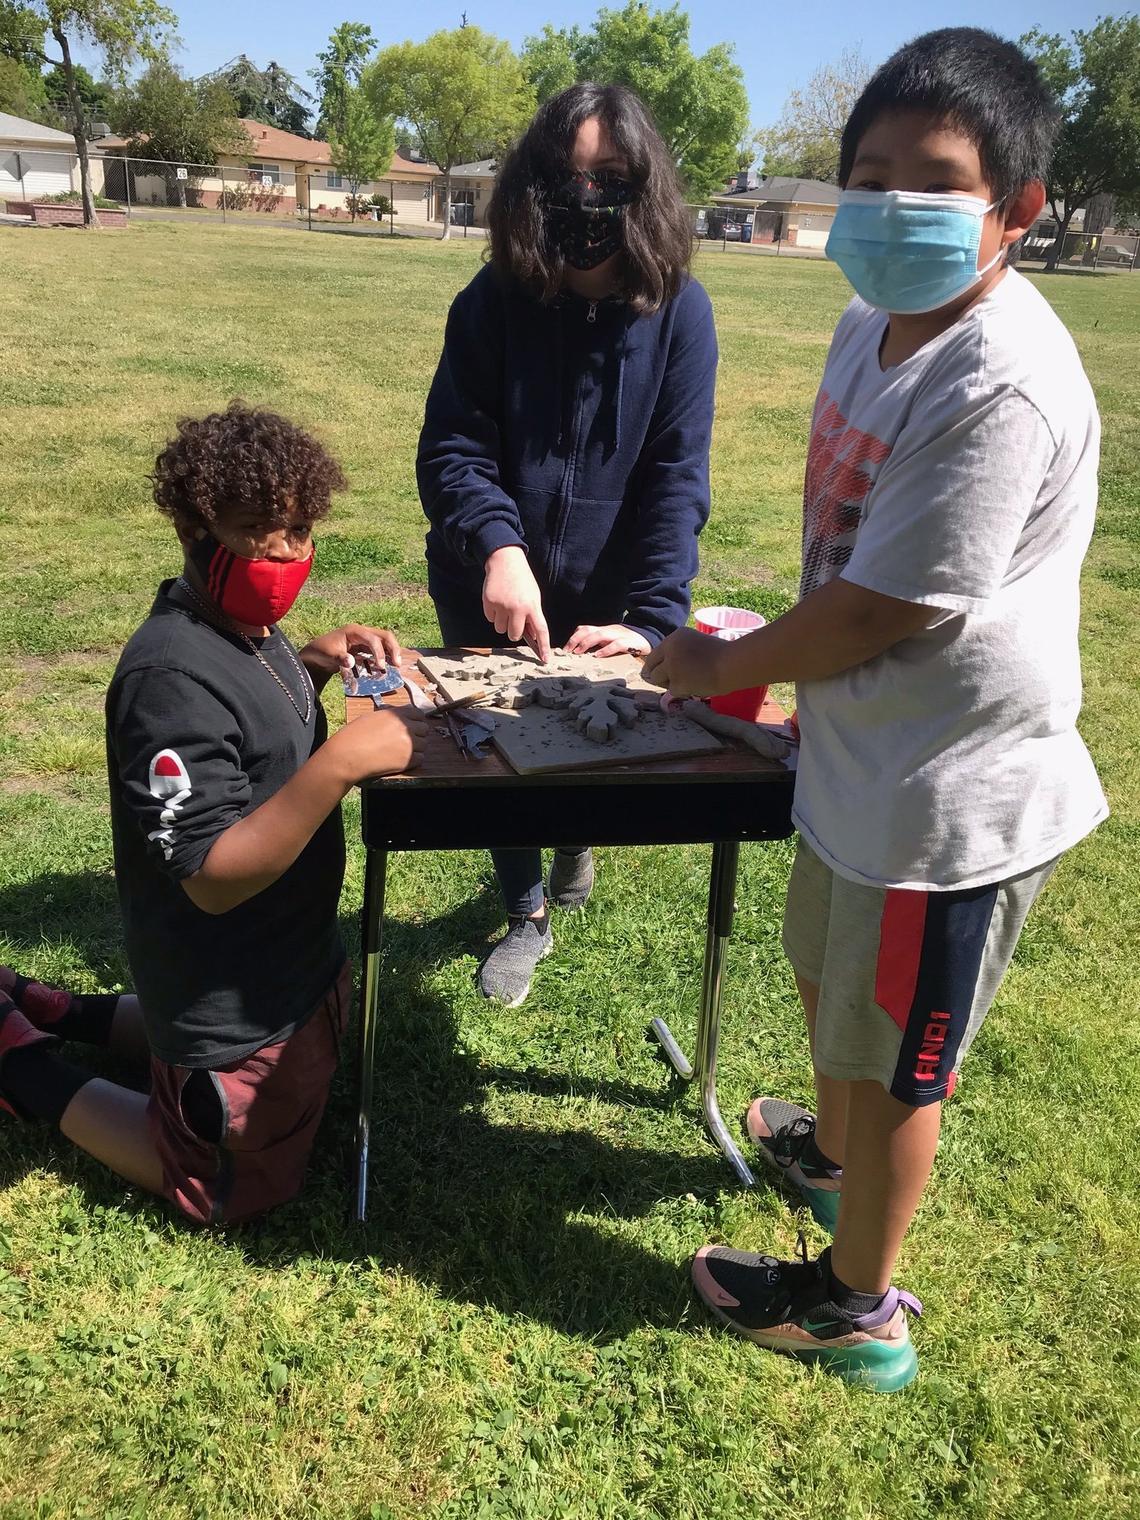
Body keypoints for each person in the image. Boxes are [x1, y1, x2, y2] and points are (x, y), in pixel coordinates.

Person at [644, 28, 1107, 1390]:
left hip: (950, 798)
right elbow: (849, 559)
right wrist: (764, 649)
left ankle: (857, 1308)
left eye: (938, 176)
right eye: (871, 169)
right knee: (825, 979)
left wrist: (712, 669)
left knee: (904, 1059)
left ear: (1017, 209)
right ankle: (830, 1157)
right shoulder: (871, 324)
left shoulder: (1002, 377)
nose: (894, 199)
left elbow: (883, 610)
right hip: (863, 756)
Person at [0, 402, 427, 1225]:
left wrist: (310, 666)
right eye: (257, 529)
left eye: (301, 528)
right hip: (224, 992)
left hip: (291, 966)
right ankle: (25, 1064)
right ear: (197, 530)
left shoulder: (247, 627)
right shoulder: (168, 677)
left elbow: (249, 749)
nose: (286, 551)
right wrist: (342, 763)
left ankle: (63, 1009)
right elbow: (210, 877)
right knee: (224, 1188)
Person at [417, 83, 717, 1007]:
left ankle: (576, 838)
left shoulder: (681, 314)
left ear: (646, 190)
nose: (587, 201)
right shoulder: (491, 301)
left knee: (580, 739)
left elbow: (677, 475)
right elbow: (452, 448)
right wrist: (497, 547)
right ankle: (527, 910)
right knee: (501, 754)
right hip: (487, 581)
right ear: (532, 188)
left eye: (612, 179)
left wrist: (653, 616)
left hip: (610, 592)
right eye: (566, 177)